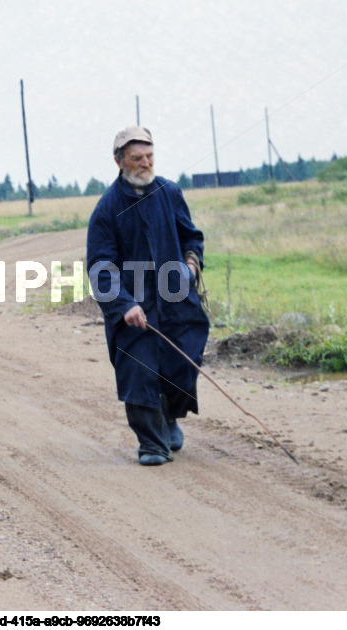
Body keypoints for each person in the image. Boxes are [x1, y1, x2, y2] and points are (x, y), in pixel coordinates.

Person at [86, 126, 210, 466]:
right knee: (139, 372)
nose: (145, 163)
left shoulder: (170, 193)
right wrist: (123, 305)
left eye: (149, 156)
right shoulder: (107, 209)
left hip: (176, 299)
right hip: (133, 305)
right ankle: (152, 444)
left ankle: (168, 418)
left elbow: (191, 237)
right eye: (137, 158)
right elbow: (100, 265)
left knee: (182, 363)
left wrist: (190, 265)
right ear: (119, 161)